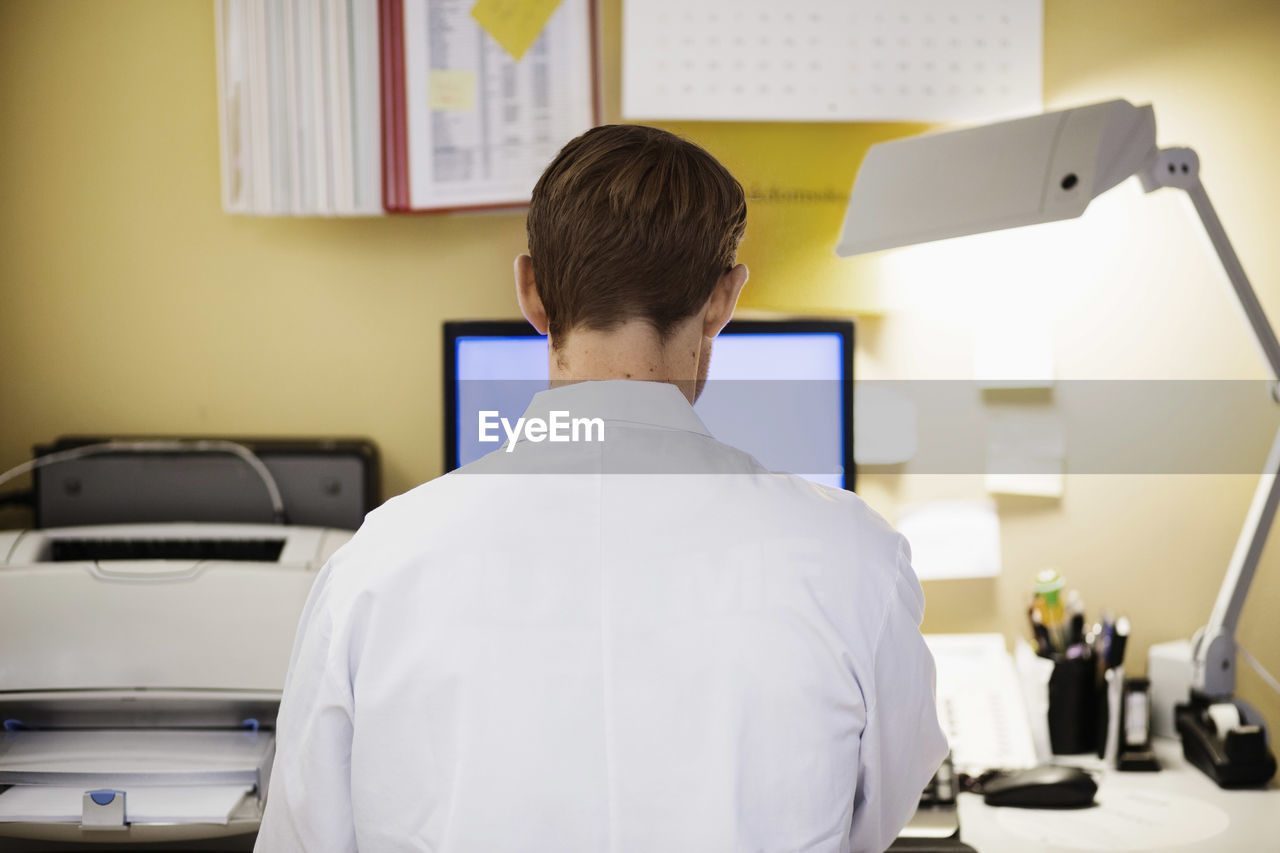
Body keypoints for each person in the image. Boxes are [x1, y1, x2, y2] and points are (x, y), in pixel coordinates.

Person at [255, 124, 946, 853]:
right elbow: (870, 819)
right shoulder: (856, 561)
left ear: (531, 291)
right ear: (723, 300)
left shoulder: (375, 565)